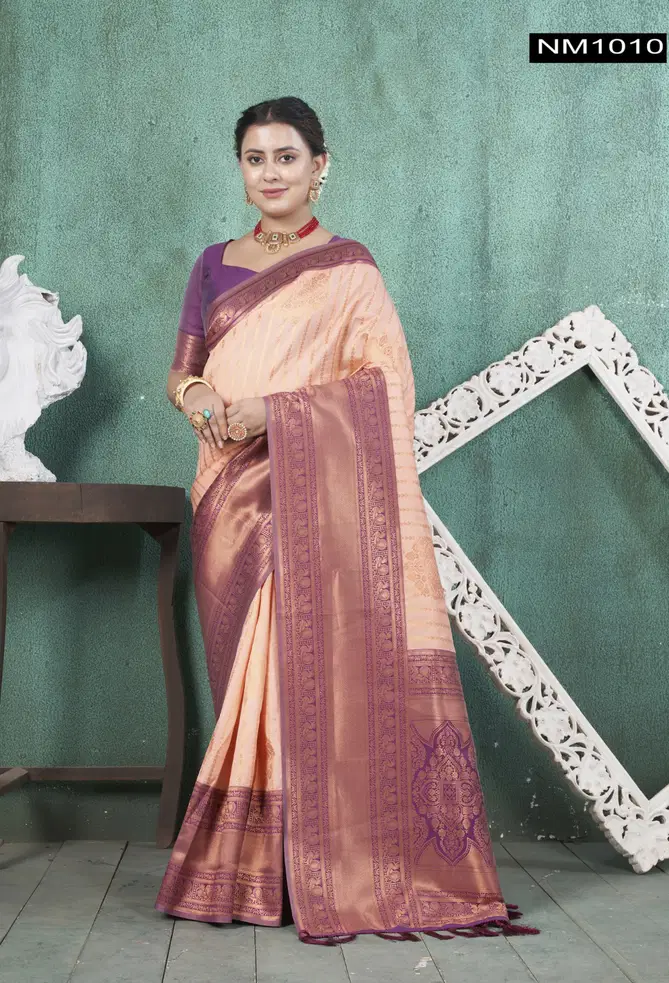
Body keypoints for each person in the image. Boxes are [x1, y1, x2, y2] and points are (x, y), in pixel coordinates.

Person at [155, 96, 537, 945]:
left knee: (297, 670)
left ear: (319, 165)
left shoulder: (350, 270)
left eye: (286, 156)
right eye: (255, 158)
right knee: (246, 677)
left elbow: (384, 387)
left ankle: (316, 866)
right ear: (240, 169)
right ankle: (265, 865)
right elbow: (180, 371)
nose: (270, 172)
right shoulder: (212, 265)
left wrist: (273, 412)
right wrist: (203, 396)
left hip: (305, 499)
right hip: (225, 491)